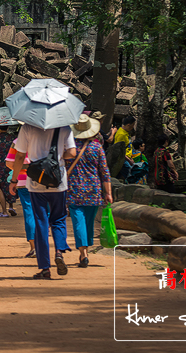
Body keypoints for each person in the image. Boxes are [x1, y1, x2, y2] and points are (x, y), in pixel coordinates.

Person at [8, 123, 77, 280]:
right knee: (59, 218)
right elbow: (72, 152)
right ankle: (59, 251)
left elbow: (19, 156)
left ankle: (45, 267)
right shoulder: (64, 127)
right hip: (58, 180)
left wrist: (14, 180)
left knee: (41, 222)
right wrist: (58, 156)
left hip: (36, 181)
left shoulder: (28, 127)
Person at [66, 114, 112, 268]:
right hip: (94, 190)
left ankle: (83, 253)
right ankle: (86, 250)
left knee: (78, 222)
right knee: (88, 222)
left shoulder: (70, 148)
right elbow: (104, 172)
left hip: (74, 190)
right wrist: (109, 193)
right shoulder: (97, 147)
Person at [5, 146, 35, 257]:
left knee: (29, 212)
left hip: (23, 180)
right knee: (43, 212)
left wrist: (20, 168)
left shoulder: (18, 142)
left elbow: (9, 163)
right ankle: (43, 244)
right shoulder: (45, 137)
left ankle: (33, 247)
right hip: (42, 180)